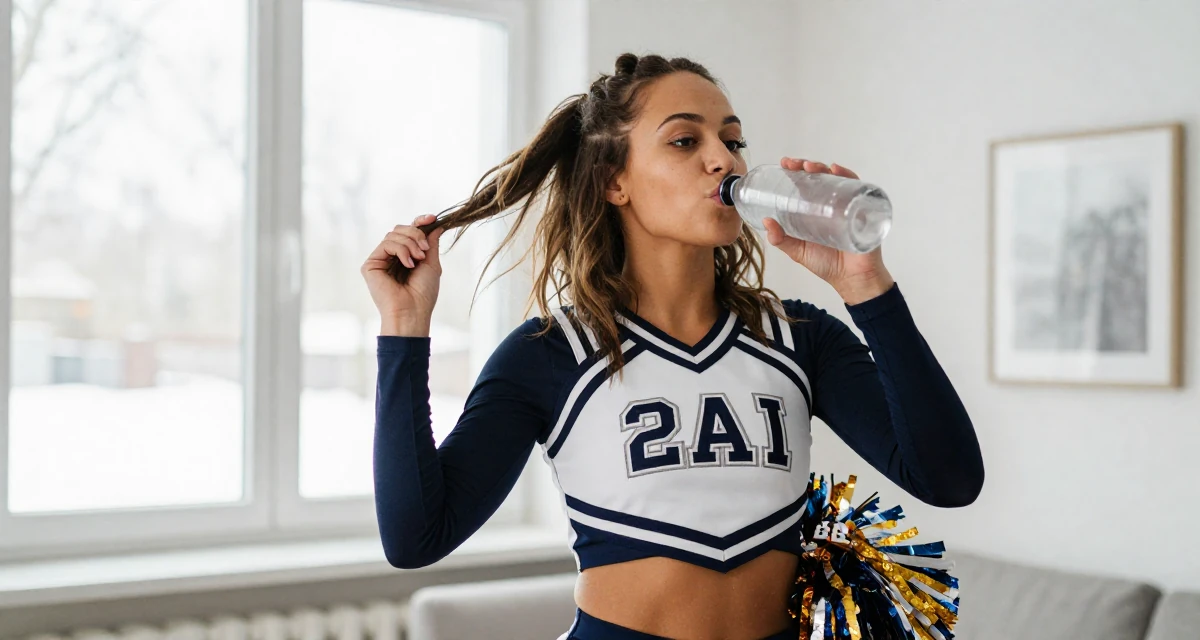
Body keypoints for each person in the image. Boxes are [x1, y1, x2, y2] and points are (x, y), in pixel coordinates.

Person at [361, 53, 984, 640]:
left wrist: (866, 285)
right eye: (686, 141)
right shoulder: (552, 353)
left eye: (733, 141)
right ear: (614, 182)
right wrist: (404, 329)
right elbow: (416, 538)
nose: (725, 160)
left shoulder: (799, 337)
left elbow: (949, 478)